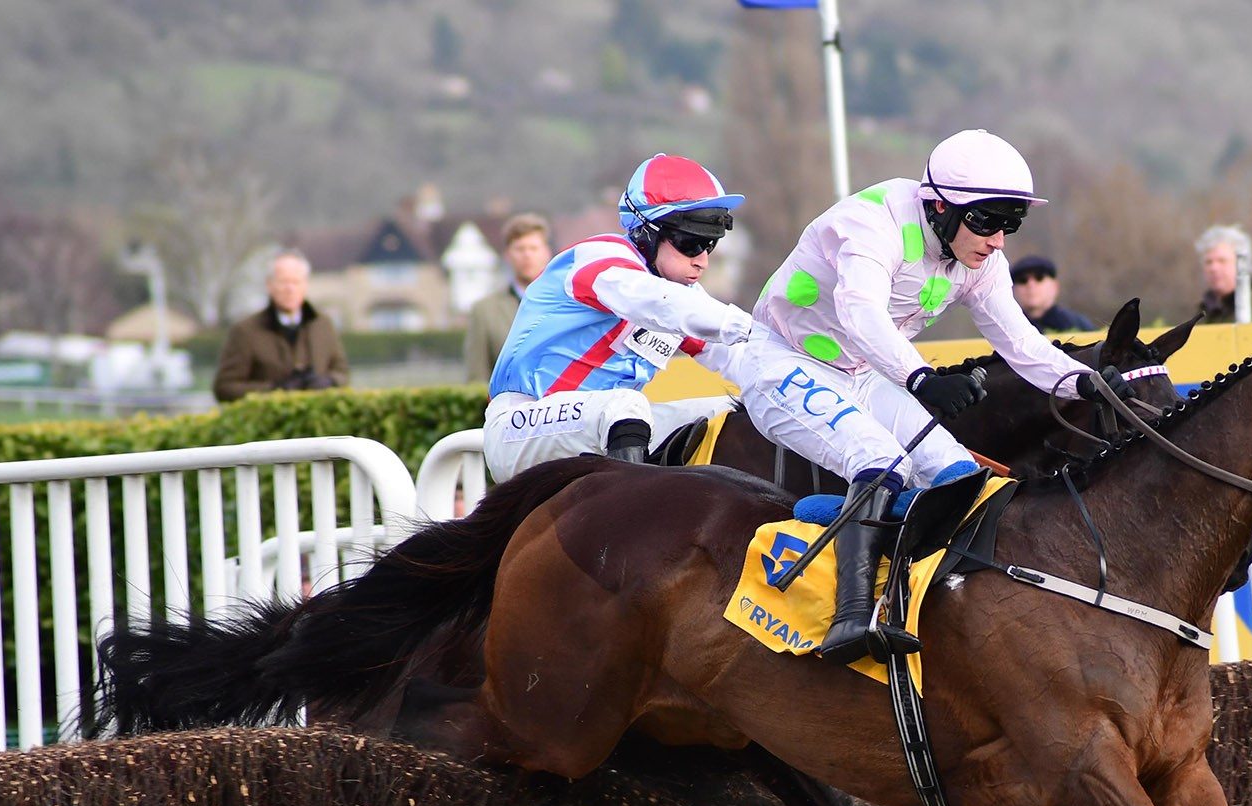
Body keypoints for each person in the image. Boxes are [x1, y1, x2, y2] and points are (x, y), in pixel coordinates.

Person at [735, 129, 1137, 665]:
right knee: (879, 465)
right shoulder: (871, 224)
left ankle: (841, 523)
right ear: (940, 207)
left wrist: (1084, 381)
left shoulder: (979, 257)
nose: (998, 241)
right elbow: (861, 313)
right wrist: (922, 379)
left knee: (959, 477)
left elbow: (1019, 342)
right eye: (988, 221)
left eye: (1011, 223)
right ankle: (850, 621)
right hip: (781, 361)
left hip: (862, 370)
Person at [483, 155, 756, 480]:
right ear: (646, 232)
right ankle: (629, 516)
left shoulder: (682, 298)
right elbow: (656, 302)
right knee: (625, 405)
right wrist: (753, 328)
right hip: (520, 426)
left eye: (709, 245)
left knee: (730, 411)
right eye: (692, 243)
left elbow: (743, 361)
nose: (702, 261)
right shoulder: (601, 257)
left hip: (598, 428)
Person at [212, 250, 351, 402]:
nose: (290, 289)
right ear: (269, 285)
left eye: (296, 282)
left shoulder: (322, 325)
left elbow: (342, 371)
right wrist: (275, 390)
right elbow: (225, 387)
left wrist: (329, 382)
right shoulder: (246, 332)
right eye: (283, 282)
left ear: (305, 285)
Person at [463, 213, 552, 383]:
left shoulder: (567, 303)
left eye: (533, 248)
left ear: (546, 252)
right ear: (507, 255)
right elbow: (477, 375)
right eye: (520, 249)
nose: (527, 255)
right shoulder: (484, 311)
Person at [1194, 224, 1252, 324]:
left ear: (1242, 264)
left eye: (1222, 261)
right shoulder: (1203, 310)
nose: (1214, 268)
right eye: (1208, 262)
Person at [1009, 254, 1097, 333]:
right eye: (1022, 280)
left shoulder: (1079, 326)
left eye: (1039, 278)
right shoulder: (1006, 328)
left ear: (1055, 286)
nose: (1031, 285)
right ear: (1012, 289)